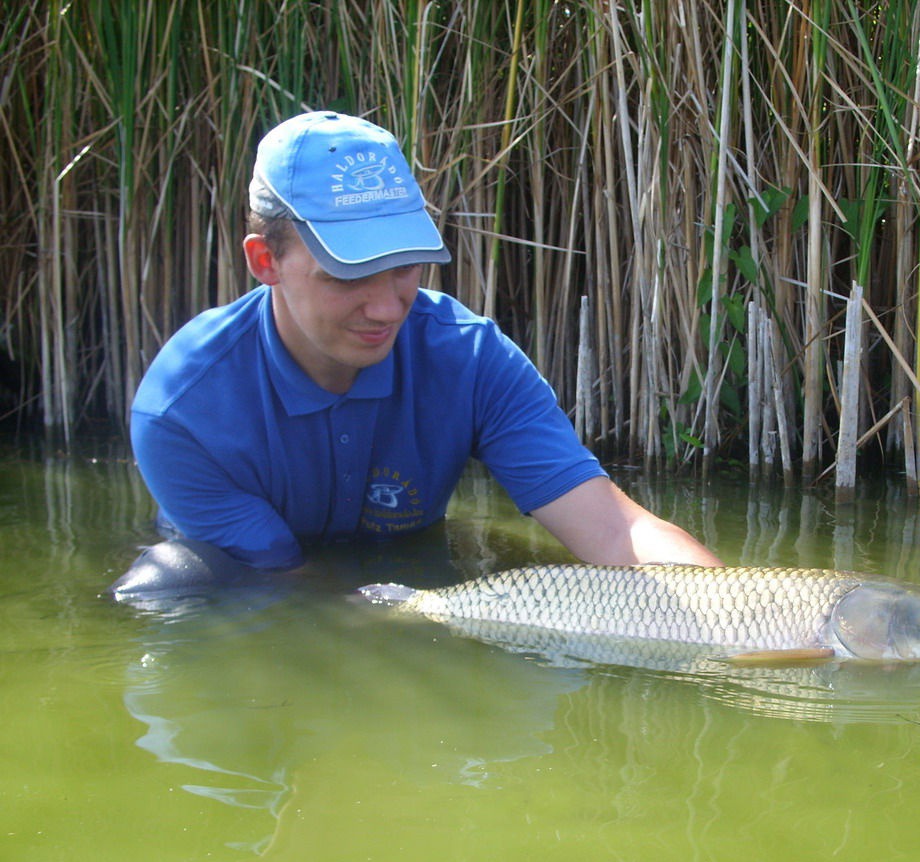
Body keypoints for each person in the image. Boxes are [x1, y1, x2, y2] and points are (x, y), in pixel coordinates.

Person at [129, 110, 720, 573]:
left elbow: (616, 530)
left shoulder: (472, 358)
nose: (387, 309)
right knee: (168, 582)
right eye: (348, 274)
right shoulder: (181, 412)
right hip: (246, 584)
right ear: (266, 262)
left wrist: (742, 617)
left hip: (405, 575)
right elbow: (283, 584)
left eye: (406, 266)